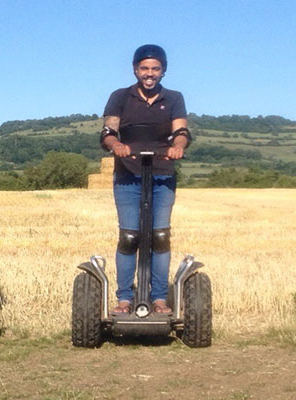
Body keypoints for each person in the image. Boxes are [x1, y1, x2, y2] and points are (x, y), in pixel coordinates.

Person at [100, 44, 191, 315]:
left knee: (160, 236)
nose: (149, 73)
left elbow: (181, 131)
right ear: (135, 69)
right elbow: (107, 131)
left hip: (162, 173)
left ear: (163, 71)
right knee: (130, 236)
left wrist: (179, 146)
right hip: (128, 174)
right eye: (144, 68)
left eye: (155, 68)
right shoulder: (120, 97)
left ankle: (160, 298)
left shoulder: (174, 98)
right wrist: (116, 145)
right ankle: (125, 299)